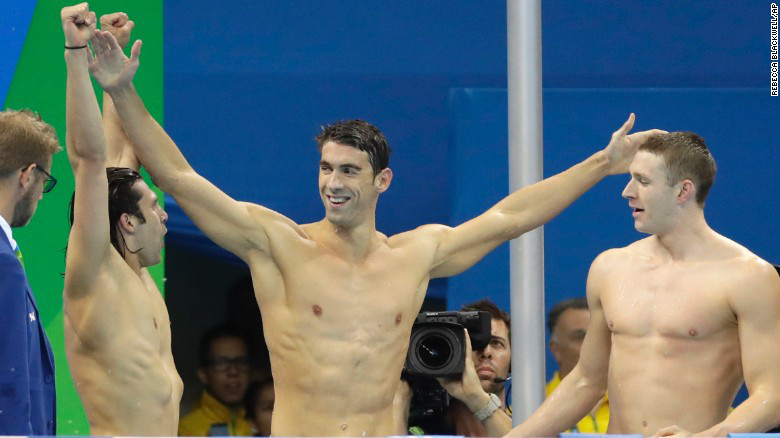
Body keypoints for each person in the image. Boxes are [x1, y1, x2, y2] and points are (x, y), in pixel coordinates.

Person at [88, 27, 663, 435]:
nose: (332, 184)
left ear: (381, 180)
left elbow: (513, 216)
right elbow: (180, 178)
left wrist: (600, 165)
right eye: (325, 169)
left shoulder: (416, 255)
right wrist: (119, 89)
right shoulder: (279, 244)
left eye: (348, 171)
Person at [508, 132, 780, 436]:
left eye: (643, 181)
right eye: (630, 179)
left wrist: (709, 436)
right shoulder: (609, 268)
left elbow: (771, 397)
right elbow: (587, 381)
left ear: (683, 191)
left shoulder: (749, 277)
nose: (627, 191)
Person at [60, 4, 182, 435]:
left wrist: (113, 68)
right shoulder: (96, 273)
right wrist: (76, 52)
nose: (165, 216)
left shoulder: (138, 279)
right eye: (153, 207)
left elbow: (115, 161)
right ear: (128, 223)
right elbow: (90, 160)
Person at [0, 107, 60, 435]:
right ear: (27, 175)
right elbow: (8, 386)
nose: (40, 195)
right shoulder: (3, 262)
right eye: (44, 183)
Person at [400, 299, 514, 437]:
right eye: (474, 342)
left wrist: (476, 398)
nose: (486, 352)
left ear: (513, 360)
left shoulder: (529, 424)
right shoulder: (421, 430)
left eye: (497, 343)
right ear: (454, 350)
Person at [546, 297, 609, 433]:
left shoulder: (634, 405)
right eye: (579, 337)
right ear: (556, 349)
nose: (593, 345)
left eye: (600, 336)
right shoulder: (534, 406)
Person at [179, 325, 254, 436]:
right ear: (203, 374)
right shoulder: (184, 430)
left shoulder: (264, 422)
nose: (233, 371)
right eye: (221, 363)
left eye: (241, 362)